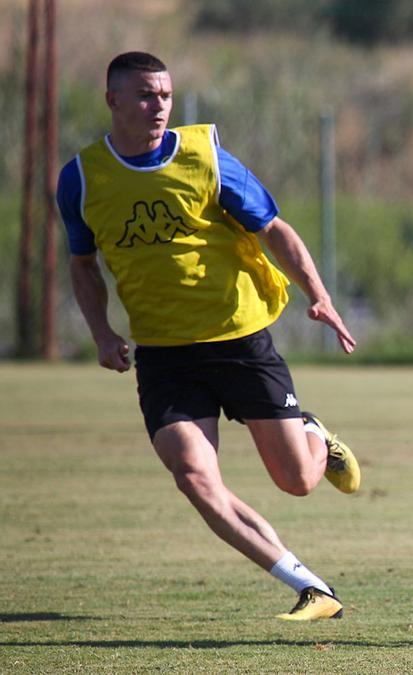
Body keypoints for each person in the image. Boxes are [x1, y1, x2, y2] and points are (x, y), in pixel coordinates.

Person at [56, 52, 362, 620]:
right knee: (194, 477)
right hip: (164, 356)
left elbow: (274, 228)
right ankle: (311, 587)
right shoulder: (81, 178)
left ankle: (313, 433)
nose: (159, 105)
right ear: (113, 100)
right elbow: (82, 263)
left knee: (297, 481)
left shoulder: (205, 158)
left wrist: (319, 295)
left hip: (238, 340)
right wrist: (101, 333)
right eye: (146, 95)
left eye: (166, 95)